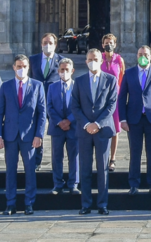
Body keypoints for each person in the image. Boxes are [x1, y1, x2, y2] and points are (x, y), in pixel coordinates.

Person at [0, 54, 47, 215]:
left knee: (30, 170)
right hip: (10, 135)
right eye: (19, 66)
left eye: (24, 66)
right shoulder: (6, 86)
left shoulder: (37, 86)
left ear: (28, 67)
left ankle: (29, 203)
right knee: (11, 170)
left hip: (29, 135)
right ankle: (10, 203)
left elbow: (42, 112)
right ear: (14, 67)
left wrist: (39, 135)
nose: (21, 69)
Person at [69, 48, 118, 215]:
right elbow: (74, 106)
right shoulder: (79, 81)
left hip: (102, 130)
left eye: (95, 58)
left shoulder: (110, 80)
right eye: (89, 59)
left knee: (103, 168)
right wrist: (86, 124)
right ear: (86, 61)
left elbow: (111, 105)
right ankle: (86, 204)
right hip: (84, 131)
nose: (92, 61)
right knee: (85, 168)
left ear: (101, 60)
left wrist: (97, 123)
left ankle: (102, 204)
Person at [118, 44, 151, 193]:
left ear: (150, 57)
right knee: (135, 152)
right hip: (134, 119)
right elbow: (122, 98)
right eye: (140, 54)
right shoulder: (129, 73)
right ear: (137, 56)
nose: (143, 57)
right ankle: (134, 184)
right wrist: (122, 119)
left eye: (146, 54)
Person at [46, 57, 79, 194]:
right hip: (57, 128)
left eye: (67, 70)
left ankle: (73, 184)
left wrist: (69, 120)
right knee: (56, 156)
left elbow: (79, 106)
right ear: (58, 70)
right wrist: (60, 122)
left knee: (74, 156)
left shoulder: (77, 86)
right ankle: (57, 183)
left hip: (74, 127)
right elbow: (49, 107)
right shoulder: (52, 87)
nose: (64, 72)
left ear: (72, 71)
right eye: (62, 70)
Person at [33, 32, 64, 169]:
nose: (47, 45)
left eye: (50, 43)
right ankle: (36, 161)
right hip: (36, 102)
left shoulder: (62, 61)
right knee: (37, 132)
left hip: (55, 103)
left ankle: (57, 163)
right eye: (45, 43)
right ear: (41, 44)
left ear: (55, 45)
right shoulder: (32, 60)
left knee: (56, 134)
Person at [98, 34, 124, 171]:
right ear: (102, 45)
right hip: (100, 99)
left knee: (115, 129)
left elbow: (122, 78)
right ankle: (102, 157)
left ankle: (112, 159)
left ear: (115, 44)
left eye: (111, 42)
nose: (109, 45)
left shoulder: (119, 60)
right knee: (100, 128)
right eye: (107, 42)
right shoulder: (98, 58)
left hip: (115, 98)